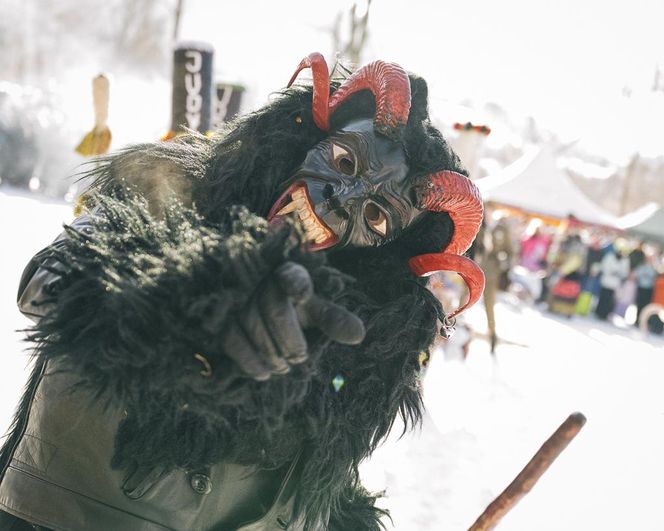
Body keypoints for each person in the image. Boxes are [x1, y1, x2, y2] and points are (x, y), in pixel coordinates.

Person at [0, 53, 485, 531]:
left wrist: (337, 517)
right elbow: (52, 280)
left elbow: (301, 470)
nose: (340, 198)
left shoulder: (360, 330)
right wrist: (186, 304)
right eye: (342, 160)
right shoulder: (175, 184)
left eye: (376, 214)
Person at [477, 217, 513, 353]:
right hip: (475, 267)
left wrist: (504, 264)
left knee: (489, 304)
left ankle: (492, 334)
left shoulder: (502, 229)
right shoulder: (481, 223)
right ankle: (451, 326)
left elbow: (511, 252)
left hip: (492, 272)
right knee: (463, 297)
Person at [595, 241, 630, 320]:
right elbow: (604, 266)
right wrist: (611, 271)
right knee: (603, 297)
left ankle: (606, 314)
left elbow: (625, 272)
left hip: (615, 283)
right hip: (607, 280)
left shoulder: (625, 260)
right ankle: (599, 312)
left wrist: (618, 273)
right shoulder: (610, 256)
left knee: (610, 300)